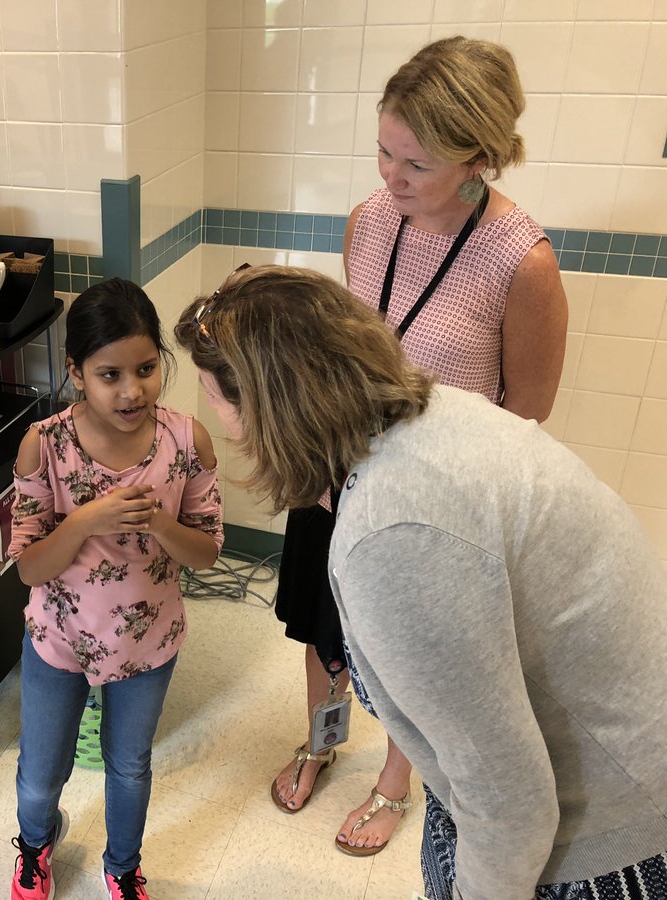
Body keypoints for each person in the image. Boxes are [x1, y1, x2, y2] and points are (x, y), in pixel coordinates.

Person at [175, 264, 667, 900]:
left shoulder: (395, 533)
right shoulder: (434, 412)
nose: (212, 415)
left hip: (609, 833)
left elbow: (509, 801)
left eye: (214, 395)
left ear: (271, 410)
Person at [268, 34, 568, 857]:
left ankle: (395, 785)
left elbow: (525, 422)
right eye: (383, 150)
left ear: (480, 157)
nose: (390, 177)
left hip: (430, 511)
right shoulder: (371, 221)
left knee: (408, 657)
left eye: (416, 163)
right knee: (321, 629)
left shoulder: (522, 263)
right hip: (336, 480)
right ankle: (321, 741)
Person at [7, 278, 224, 900]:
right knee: (42, 771)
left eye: (147, 369)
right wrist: (84, 521)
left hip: (147, 640)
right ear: (76, 372)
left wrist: (158, 521)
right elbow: (27, 568)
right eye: (110, 375)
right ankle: (34, 846)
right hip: (59, 637)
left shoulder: (187, 441)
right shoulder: (43, 447)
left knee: (130, 766)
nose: (132, 391)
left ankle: (123, 867)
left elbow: (207, 552)